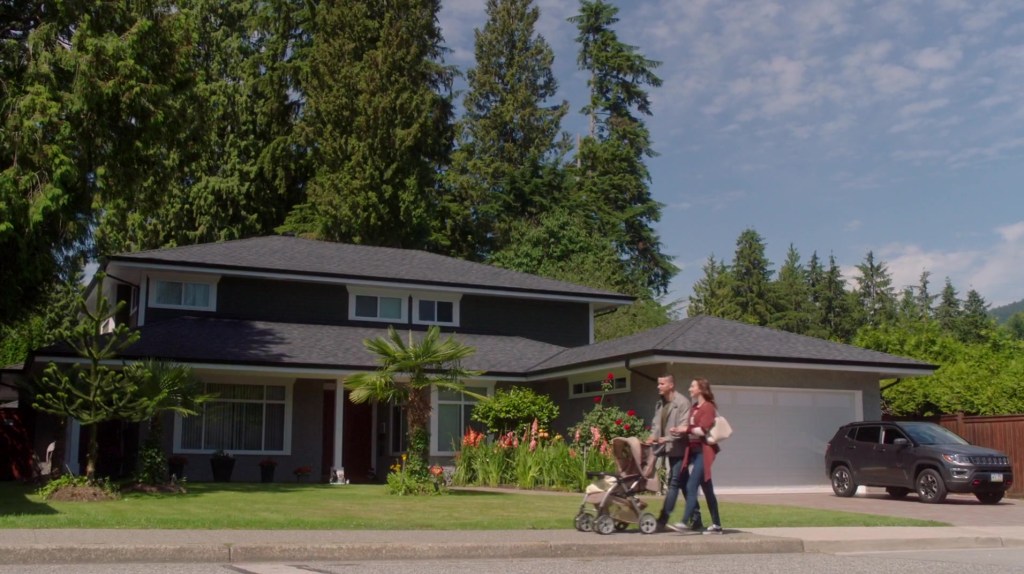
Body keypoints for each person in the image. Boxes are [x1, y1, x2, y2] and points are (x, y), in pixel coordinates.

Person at [645, 374, 700, 532]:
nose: (658, 386)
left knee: (674, 482)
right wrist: (652, 437)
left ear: (671, 385)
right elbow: (656, 425)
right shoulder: (660, 403)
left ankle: (662, 520)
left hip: (680, 449)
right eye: (658, 383)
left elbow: (684, 427)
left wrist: (668, 438)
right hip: (668, 448)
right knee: (684, 483)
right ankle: (696, 518)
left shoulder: (682, 403)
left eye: (662, 384)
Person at [674, 377, 723, 534]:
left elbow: (702, 430)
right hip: (693, 451)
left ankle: (684, 521)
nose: (690, 389)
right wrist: (680, 430)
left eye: (692, 386)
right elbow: (692, 428)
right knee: (706, 488)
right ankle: (717, 525)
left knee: (691, 485)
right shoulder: (695, 407)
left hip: (704, 452)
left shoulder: (708, 407)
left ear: (701, 389)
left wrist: (686, 429)